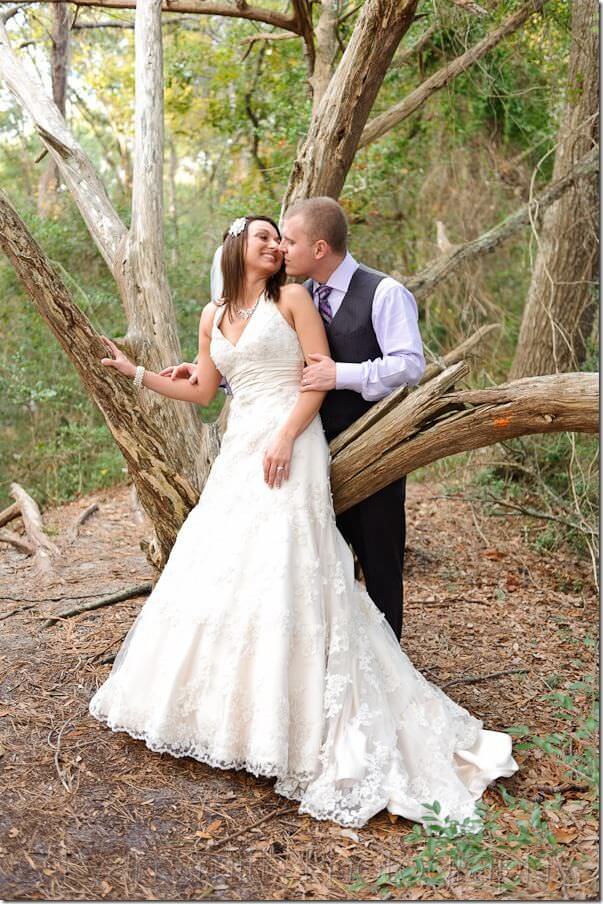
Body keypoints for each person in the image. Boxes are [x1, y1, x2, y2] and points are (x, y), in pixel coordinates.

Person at [91, 214, 518, 832]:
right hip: (241, 449)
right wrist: (138, 374)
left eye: (280, 237)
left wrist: (287, 436)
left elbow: (315, 377)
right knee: (229, 567)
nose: (275, 245)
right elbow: (206, 390)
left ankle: (304, 720)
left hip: (293, 444)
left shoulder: (291, 298)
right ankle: (230, 715)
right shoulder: (213, 316)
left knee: (294, 565)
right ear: (237, 247)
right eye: (264, 237)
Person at [165, 199, 423, 641]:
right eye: (275, 238)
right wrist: (221, 374)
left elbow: (410, 366)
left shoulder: (383, 292)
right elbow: (280, 363)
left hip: (371, 443)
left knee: (379, 559)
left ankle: (385, 663)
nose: (282, 247)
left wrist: (340, 374)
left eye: (289, 240)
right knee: (319, 565)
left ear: (319, 248)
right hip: (311, 450)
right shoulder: (298, 295)